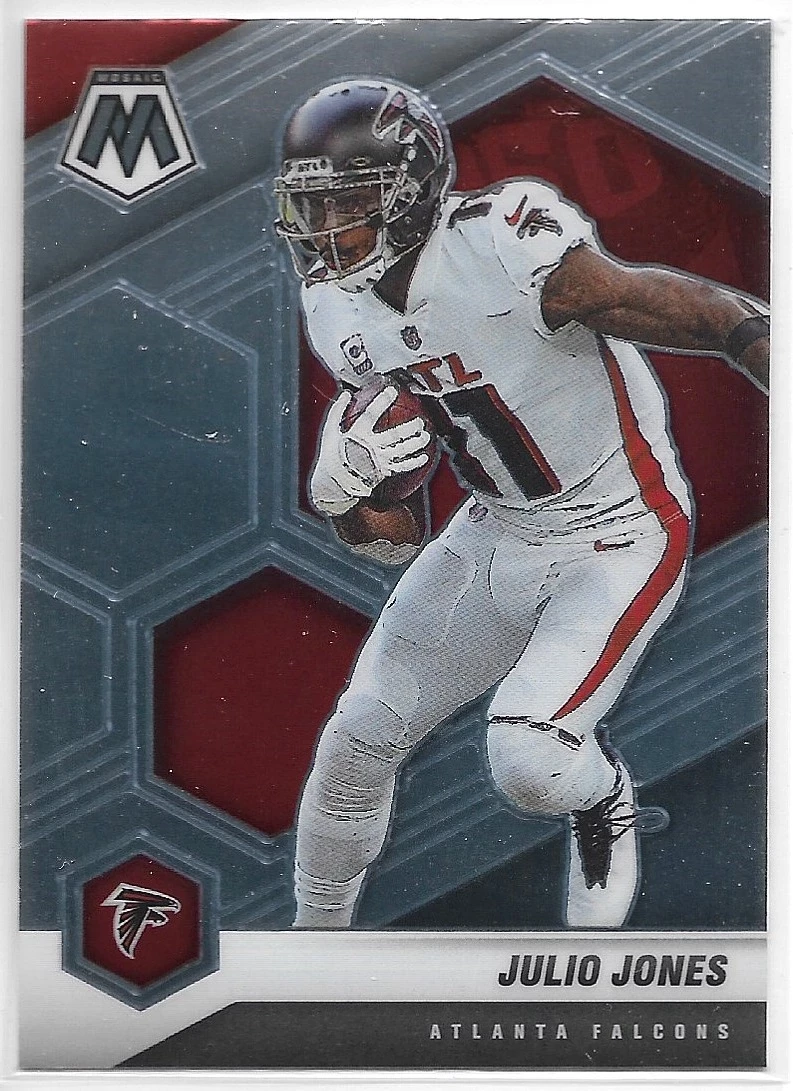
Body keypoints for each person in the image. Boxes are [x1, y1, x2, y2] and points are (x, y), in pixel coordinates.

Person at [273, 79, 769, 929]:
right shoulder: (333, 306)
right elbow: (395, 539)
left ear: (409, 191)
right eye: (310, 205)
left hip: (618, 529)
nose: (325, 230)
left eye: (348, 202)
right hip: (493, 530)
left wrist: (758, 345)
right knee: (355, 740)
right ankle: (310, 948)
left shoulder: (499, 239)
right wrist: (343, 494)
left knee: (529, 761)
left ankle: (601, 797)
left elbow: (695, 311)